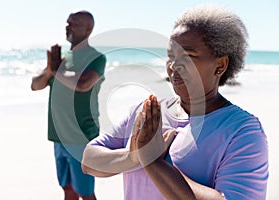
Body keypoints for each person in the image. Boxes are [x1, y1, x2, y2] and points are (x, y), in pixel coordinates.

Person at [81, 5, 268, 200]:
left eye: (188, 56)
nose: (173, 65)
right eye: (170, 56)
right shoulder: (149, 112)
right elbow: (88, 161)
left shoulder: (242, 131)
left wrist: (153, 162)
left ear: (220, 65)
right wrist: (133, 157)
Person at [31, 11, 106, 200]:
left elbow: (83, 84)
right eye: (67, 23)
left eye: (74, 23)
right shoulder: (61, 60)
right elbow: (35, 85)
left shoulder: (96, 58)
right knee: (68, 189)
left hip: (80, 137)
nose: (68, 26)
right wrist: (50, 71)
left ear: (88, 29)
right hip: (58, 136)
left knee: (86, 192)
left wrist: (56, 71)